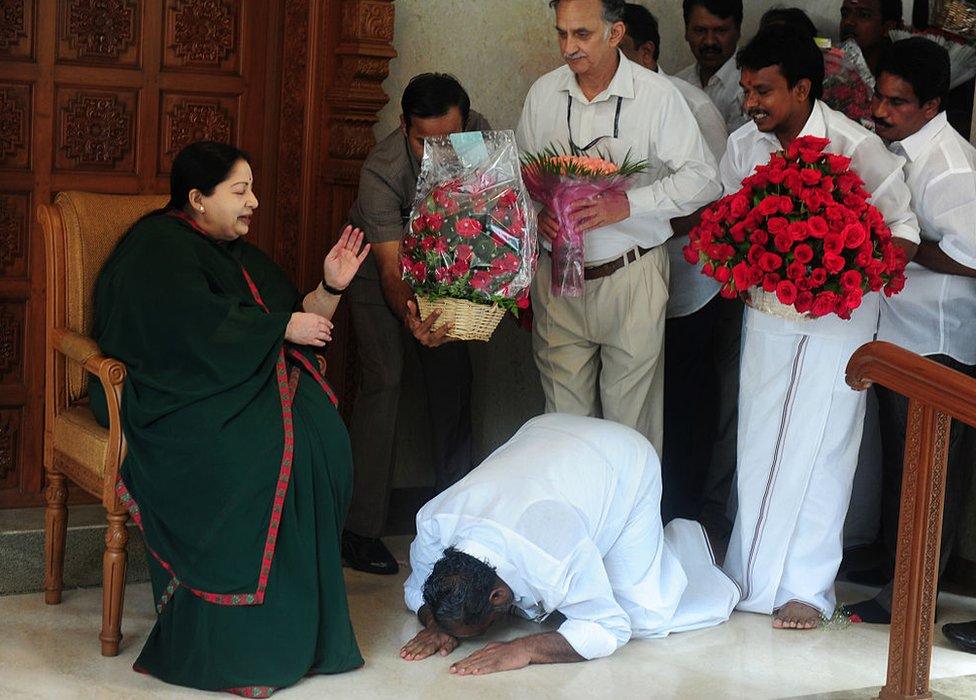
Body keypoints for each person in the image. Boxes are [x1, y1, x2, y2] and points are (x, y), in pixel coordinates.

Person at [90, 141, 368, 694]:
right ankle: (238, 650)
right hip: (174, 398)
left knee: (319, 441)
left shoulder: (233, 251)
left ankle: (305, 635)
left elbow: (290, 318)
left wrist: (332, 285)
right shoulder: (157, 247)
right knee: (256, 459)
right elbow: (188, 332)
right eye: (239, 191)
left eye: (252, 189)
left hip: (236, 385)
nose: (254, 202)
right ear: (197, 198)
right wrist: (280, 330)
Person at [719, 28, 920, 630]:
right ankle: (748, 579)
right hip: (768, 313)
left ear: (802, 89)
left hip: (841, 319)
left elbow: (903, 230)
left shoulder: (855, 145)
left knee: (826, 446)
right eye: (747, 90)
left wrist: (842, 272)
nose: (751, 103)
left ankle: (807, 588)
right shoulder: (741, 147)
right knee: (759, 440)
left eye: (764, 91)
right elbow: (730, 226)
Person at [516, 0, 721, 455]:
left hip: (631, 275)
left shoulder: (656, 95)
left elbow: (705, 179)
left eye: (582, 35)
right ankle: (575, 526)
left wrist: (627, 205)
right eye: (561, 33)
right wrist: (537, 214)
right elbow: (520, 182)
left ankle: (630, 527)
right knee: (561, 430)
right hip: (557, 279)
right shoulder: (542, 94)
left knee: (632, 432)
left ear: (615, 33)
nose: (569, 47)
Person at [399, 414, 740, 675]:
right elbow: (415, 588)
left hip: (622, 457)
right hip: (544, 433)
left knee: (645, 616)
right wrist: (435, 623)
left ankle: (691, 544)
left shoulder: (551, 553)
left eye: (480, 629)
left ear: (498, 596)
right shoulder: (434, 524)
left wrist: (526, 649)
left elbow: (610, 627)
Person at [840, 39, 976, 626]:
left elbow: (973, 257)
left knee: (933, 478)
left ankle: (910, 601)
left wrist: (902, 249)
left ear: (932, 105)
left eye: (898, 103)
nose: (883, 111)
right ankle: (896, 572)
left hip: (940, 342)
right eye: (881, 98)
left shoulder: (950, 167)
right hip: (899, 337)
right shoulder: (894, 151)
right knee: (903, 467)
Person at [343, 74, 491, 575]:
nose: (437, 154)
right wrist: (415, 322)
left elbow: (491, 220)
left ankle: (457, 524)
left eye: (448, 140)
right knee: (385, 381)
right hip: (378, 272)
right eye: (424, 142)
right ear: (402, 126)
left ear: (466, 125)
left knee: (453, 380)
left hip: (446, 271)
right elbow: (390, 270)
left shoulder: (479, 139)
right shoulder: (381, 172)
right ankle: (360, 530)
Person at [619, 2, 737, 541]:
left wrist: (640, 220)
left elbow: (714, 195)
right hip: (631, 274)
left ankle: (685, 511)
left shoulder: (690, 105)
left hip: (692, 275)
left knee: (687, 396)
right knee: (643, 394)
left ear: (645, 52)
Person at [676, 0, 748, 131]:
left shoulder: (752, 87)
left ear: (738, 32)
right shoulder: (677, 85)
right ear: (686, 32)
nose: (709, 41)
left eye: (720, 31)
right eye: (700, 30)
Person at [839, 0, 903, 78]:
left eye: (863, 15)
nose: (848, 22)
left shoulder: (902, 80)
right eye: (845, 14)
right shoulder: (827, 67)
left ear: (888, 27)